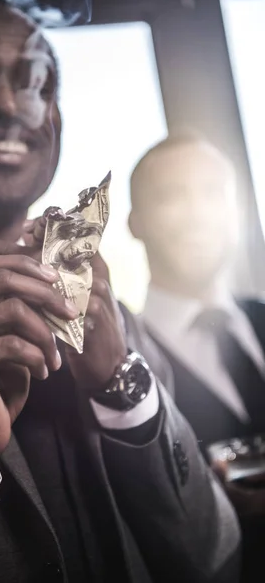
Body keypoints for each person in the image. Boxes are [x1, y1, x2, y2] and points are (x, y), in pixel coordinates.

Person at [0, 0, 239, 582]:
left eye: (36, 85)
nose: (9, 104)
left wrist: (123, 390)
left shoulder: (113, 312)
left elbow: (211, 553)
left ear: (56, 123)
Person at [128, 131, 265, 580]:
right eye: (172, 197)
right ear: (136, 222)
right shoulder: (123, 370)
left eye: (214, 193)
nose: (199, 215)